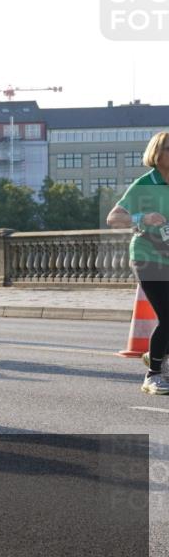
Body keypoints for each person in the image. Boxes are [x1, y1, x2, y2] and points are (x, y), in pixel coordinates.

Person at [107, 131, 169, 395]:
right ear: (157, 153)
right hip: (147, 256)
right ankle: (153, 375)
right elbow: (113, 218)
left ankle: (157, 354)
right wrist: (142, 218)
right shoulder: (145, 184)